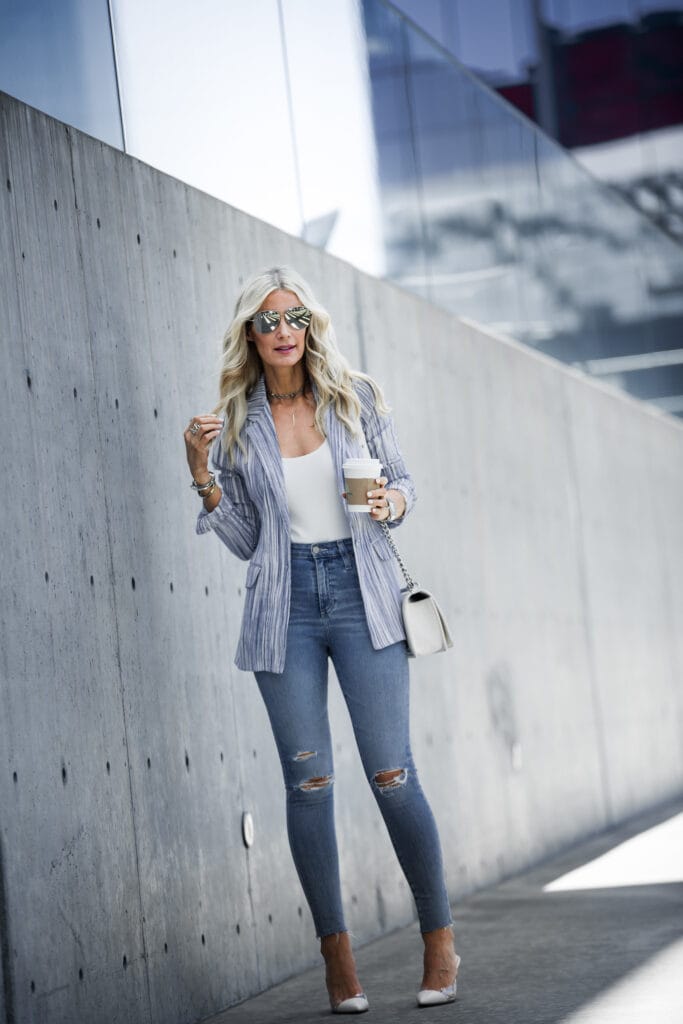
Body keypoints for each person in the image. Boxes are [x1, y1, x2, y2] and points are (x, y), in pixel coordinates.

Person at [183, 266, 460, 1013]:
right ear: (250, 332)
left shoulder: (354, 397)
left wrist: (390, 499)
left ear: (310, 325)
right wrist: (202, 474)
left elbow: (402, 483)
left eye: (294, 317)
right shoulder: (236, 418)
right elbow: (245, 541)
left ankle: (438, 939)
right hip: (286, 607)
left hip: (362, 594)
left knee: (392, 776)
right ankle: (337, 960)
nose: (282, 331)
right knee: (308, 786)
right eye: (268, 320)